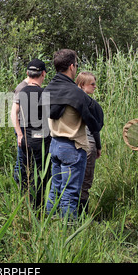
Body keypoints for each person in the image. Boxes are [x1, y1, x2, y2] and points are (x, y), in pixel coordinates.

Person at [41, 49, 104, 221]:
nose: (76, 68)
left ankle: (50, 224)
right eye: (76, 65)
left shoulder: (47, 89)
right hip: (72, 147)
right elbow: (95, 120)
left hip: (54, 144)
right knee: (70, 192)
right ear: (71, 66)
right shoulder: (75, 93)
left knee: (55, 188)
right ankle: (67, 231)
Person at [17, 59, 51, 209]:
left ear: (27, 74)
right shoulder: (44, 93)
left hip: (26, 139)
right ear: (43, 73)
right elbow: (49, 118)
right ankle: (38, 208)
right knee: (41, 175)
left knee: (26, 172)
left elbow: (13, 114)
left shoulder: (22, 91)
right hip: (41, 140)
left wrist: (19, 134)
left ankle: (25, 205)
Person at [75, 71, 102, 215]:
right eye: (92, 84)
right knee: (85, 181)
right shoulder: (90, 104)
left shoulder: (70, 99)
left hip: (70, 143)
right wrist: (98, 146)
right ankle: (81, 217)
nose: (95, 87)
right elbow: (95, 128)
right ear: (81, 84)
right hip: (87, 143)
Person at [10, 76, 29, 184]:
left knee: (24, 157)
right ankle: (18, 183)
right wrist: (19, 133)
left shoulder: (26, 86)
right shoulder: (22, 87)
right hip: (21, 126)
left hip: (25, 126)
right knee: (21, 158)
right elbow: (14, 112)